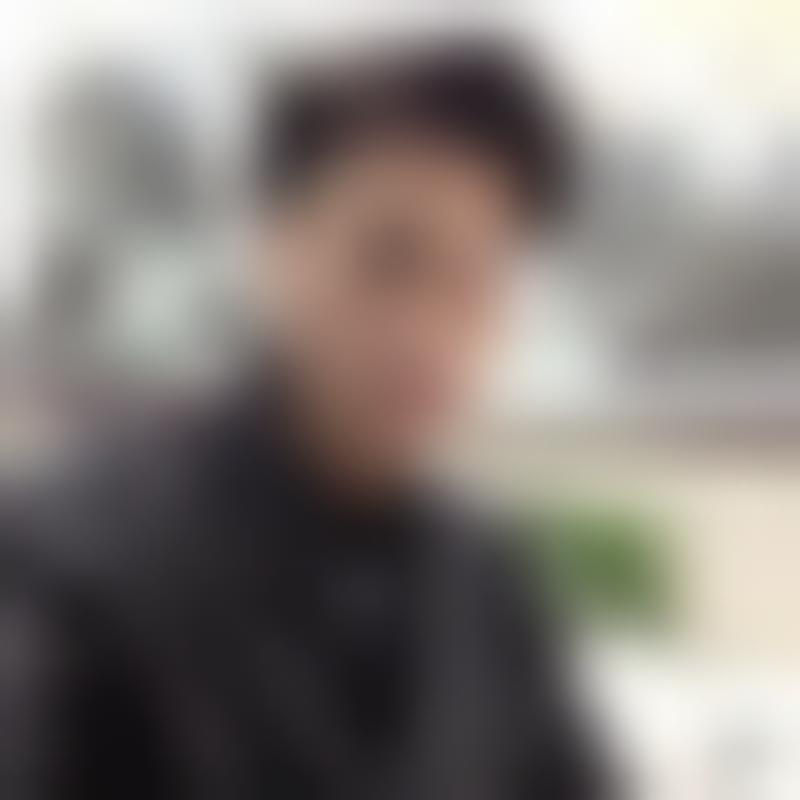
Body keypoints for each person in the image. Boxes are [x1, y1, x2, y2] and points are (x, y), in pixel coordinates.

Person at [1, 42, 614, 799]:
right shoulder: (73, 557)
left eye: (475, 282)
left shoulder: (489, 586)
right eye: (388, 261)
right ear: (274, 252)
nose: (430, 334)